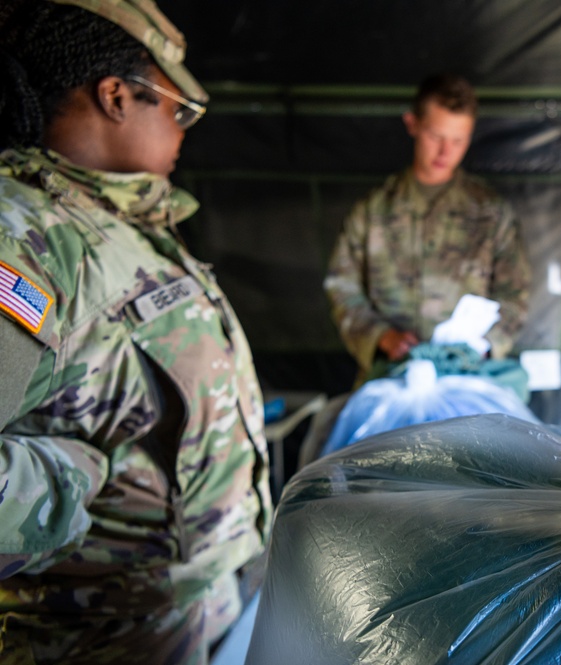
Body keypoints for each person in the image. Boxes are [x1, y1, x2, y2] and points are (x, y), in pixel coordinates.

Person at [0, 1, 272, 662]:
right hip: (94, 637)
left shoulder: (114, 223)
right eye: (178, 110)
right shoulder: (25, 239)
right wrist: (72, 485)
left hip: (185, 610)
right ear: (117, 96)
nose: (183, 133)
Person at [324, 74, 532, 384]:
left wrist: (483, 346)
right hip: (390, 377)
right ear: (412, 124)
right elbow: (343, 287)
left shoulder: (490, 213)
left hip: (466, 379)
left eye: (458, 140)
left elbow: (515, 295)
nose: (446, 151)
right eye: (436, 136)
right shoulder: (374, 210)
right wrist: (381, 336)